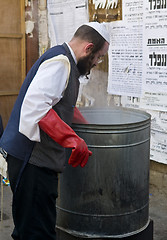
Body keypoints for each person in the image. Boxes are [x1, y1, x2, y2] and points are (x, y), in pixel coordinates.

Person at [0, 21, 110, 240]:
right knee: (36, 232)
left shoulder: (66, 62)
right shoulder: (60, 62)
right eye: (98, 57)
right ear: (88, 48)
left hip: (36, 161)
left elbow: (59, 104)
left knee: (31, 227)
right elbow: (36, 107)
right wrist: (72, 140)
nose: (97, 63)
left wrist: (84, 127)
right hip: (31, 161)